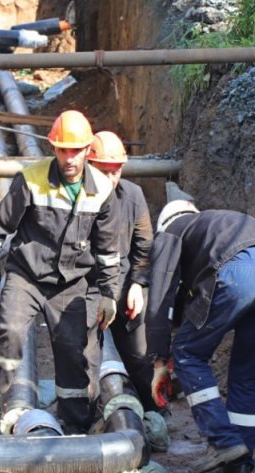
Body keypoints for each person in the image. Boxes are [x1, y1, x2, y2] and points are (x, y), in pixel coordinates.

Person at [0, 110, 121, 435]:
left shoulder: (102, 191)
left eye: (76, 151)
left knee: (73, 352)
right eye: (63, 150)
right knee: (10, 332)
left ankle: (74, 424)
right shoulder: (32, 179)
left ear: (87, 150)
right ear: (54, 148)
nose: (70, 158)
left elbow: (109, 251)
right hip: (26, 276)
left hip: (71, 283)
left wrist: (110, 294)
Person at [145, 200, 255, 473]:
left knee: (187, 352)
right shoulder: (214, 226)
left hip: (238, 269)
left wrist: (160, 359)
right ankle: (239, 466)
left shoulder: (171, 231)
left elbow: (160, 298)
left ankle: (223, 441)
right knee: (245, 374)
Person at [81, 131, 156, 414]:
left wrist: (137, 284)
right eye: (104, 172)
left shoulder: (133, 196)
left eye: (116, 171)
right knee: (85, 360)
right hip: (86, 289)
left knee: (140, 357)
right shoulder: (75, 198)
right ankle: (88, 418)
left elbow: (144, 246)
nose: (111, 178)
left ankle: (153, 412)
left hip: (124, 286)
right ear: (89, 166)